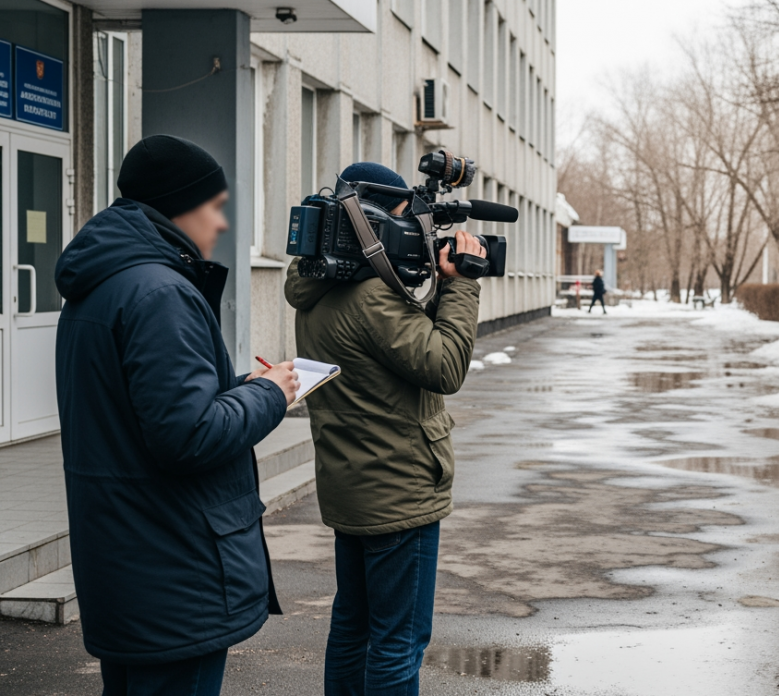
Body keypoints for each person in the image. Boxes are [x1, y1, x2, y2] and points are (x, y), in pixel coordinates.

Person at [54, 135, 300, 696]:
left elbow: (144, 410)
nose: (221, 225)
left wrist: (243, 387)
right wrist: (272, 395)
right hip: (173, 566)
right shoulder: (160, 292)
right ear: (179, 207)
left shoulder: (104, 283)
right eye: (215, 208)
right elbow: (187, 435)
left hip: (129, 560)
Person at [284, 162, 484, 696]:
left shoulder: (318, 291)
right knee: (398, 640)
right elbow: (445, 367)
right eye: (401, 222)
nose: (410, 235)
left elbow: (403, 355)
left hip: (354, 484)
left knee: (354, 627)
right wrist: (461, 288)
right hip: (398, 489)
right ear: (368, 225)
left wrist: (436, 285)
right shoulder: (372, 299)